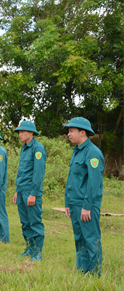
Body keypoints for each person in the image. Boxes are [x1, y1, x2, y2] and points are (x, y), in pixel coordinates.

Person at [64, 117, 104, 276]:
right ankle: (83, 270)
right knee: (79, 238)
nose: (68, 134)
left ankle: (94, 273)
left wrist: (87, 206)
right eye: (68, 131)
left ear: (83, 132)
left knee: (91, 238)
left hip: (86, 204)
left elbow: (94, 183)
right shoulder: (77, 151)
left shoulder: (93, 152)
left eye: (71, 131)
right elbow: (72, 179)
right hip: (74, 203)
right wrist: (67, 202)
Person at [13, 121, 46, 261]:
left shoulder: (38, 148)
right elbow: (21, 172)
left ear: (31, 133)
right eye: (19, 132)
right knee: (25, 222)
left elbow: (38, 173)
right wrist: (16, 191)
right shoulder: (24, 148)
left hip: (31, 192)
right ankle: (29, 249)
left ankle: (38, 252)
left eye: (23, 132)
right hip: (21, 191)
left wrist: (33, 193)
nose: (20, 134)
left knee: (35, 222)